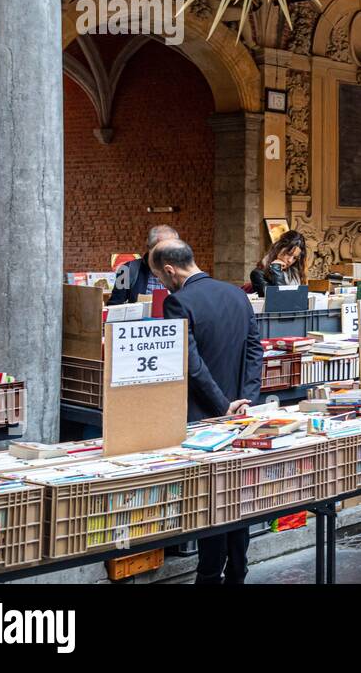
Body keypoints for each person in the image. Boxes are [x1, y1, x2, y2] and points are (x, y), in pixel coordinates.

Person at [150, 238, 264, 584]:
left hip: (203, 415)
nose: (162, 284)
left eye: (160, 277)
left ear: (170, 270)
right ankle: (238, 572)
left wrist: (221, 407)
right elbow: (255, 350)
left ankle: (209, 574)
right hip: (241, 413)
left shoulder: (177, 302)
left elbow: (192, 365)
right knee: (238, 493)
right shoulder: (237, 295)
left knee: (211, 499)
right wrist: (245, 400)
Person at [109, 225, 177, 304]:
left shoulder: (181, 271)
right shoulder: (126, 270)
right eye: (159, 251)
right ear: (148, 247)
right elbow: (114, 304)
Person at [249, 230, 307, 296]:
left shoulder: (295, 273)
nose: (290, 260)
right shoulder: (258, 274)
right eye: (288, 254)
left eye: (295, 258)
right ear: (278, 248)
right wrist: (277, 270)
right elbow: (281, 297)